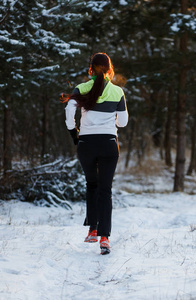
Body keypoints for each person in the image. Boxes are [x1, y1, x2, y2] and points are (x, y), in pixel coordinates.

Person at [63, 52, 128, 255]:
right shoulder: (117, 92)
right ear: (110, 70)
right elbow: (123, 123)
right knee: (105, 190)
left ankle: (92, 230)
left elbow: (68, 111)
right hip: (109, 144)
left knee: (92, 184)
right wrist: (113, 122)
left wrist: (75, 133)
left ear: (90, 69)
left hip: (87, 144)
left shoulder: (81, 89)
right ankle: (105, 238)